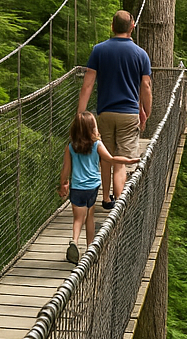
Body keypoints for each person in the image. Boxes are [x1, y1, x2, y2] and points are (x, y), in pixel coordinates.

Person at [78, 10, 152, 210]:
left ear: (112, 26)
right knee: (121, 162)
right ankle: (119, 209)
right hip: (129, 114)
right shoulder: (141, 54)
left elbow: (88, 84)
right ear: (132, 27)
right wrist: (146, 110)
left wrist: (81, 115)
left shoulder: (99, 50)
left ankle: (106, 199)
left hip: (105, 113)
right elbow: (145, 86)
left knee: (106, 156)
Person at [59, 111, 141, 263]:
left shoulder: (70, 147)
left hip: (77, 187)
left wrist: (63, 183)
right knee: (89, 216)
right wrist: (130, 161)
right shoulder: (97, 144)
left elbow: (66, 170)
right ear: (92, 129)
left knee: (78, 218)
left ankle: (74, 241)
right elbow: (111, 158)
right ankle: (90, 248)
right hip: (92, 187)